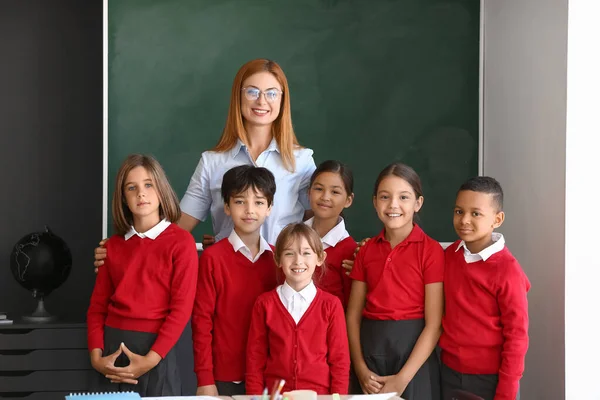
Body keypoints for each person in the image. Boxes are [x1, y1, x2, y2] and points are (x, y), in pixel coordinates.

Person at [93, 58, 316, 269]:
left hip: (283, 278)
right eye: (252, 91)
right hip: (226, 275)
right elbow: (177, 227)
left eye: (272, 93)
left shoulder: (301, 160)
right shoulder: (213, 162)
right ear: (238, 96)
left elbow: (320, 221)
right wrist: (123, 250)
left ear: (282, 99)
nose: (262, 101)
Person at [87, 154, 198, 397]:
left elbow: (181, 309)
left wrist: (150, 359)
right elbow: (97, 308)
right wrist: (96, 357)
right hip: (111, 352)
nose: (141, 193)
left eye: (148, 184)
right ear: (124, 198)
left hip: (155, 352)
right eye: (132, 188)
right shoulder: (112, 246)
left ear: (161, 190)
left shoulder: (181, 242)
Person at [346, 163, 444, 400]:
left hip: (413, 359)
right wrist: (359, 367)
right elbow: (352, 315)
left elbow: (434, 324)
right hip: (370, 355)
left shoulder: (431, 251)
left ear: (418, 203)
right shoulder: (367, 250)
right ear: (374, 202)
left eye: (404, 197)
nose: (393, 205)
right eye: (384, 197)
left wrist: (403, 378)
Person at [440, 177, 530, 400]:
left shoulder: (507, 270)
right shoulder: (448, 256)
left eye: (475, 213)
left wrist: (506, 392)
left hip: (491, 379)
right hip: (448, 372)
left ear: (497, 219)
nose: (464, 220)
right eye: (459, 211)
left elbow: (517, 337)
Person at [192, 165, 278, 396]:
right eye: (240, 201)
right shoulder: (213, 258)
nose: (250, 210)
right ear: (227, 207)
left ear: (269, 208)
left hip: (270, 376)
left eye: (259, 202)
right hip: (223, 376)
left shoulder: (279, 260)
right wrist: (205, 379)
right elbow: (202, 323)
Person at [245, 223, 350, 395]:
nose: (298, 261)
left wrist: (337, 398)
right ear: (278, 259)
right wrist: (255, 397)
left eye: (306, 253)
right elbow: (255, 359)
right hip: (276, 396)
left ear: (320, 258)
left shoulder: (331, 305)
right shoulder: (265, 304)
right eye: (289, 253)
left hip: (319, 397)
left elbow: (340, 361)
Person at [304, 160, 356, 308]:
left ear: (348, 200)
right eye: (319, 189)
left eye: (335, 192)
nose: (325, 197)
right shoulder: (293, 238)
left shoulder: (349, 251)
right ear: (309, 192)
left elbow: (350, 307)